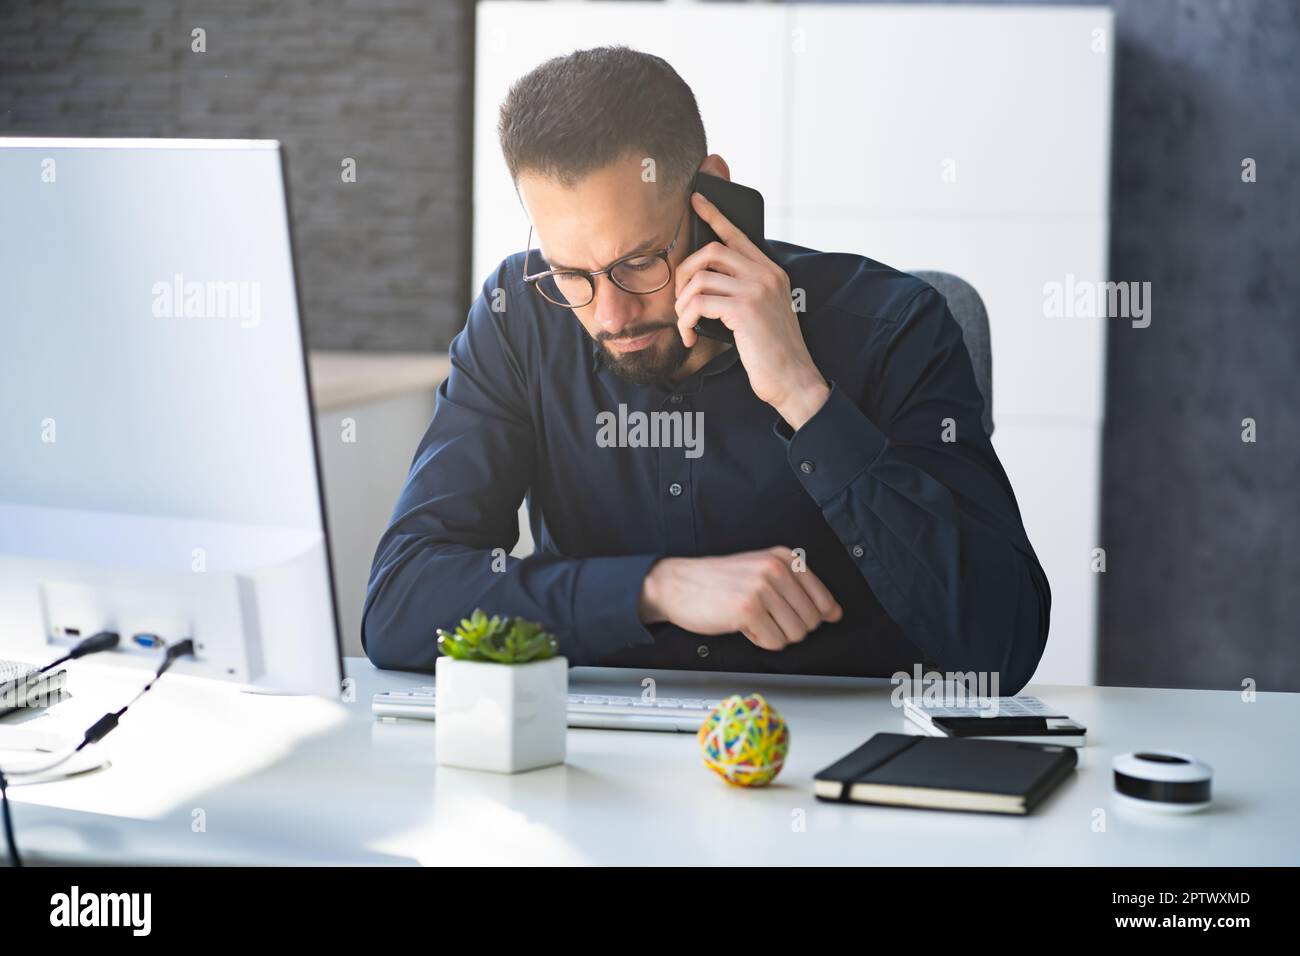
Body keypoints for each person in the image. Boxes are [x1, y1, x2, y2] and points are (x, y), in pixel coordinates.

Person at [362, 46, 1050, 691]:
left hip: (840, 765)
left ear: (712, 195)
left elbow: (1002, 646)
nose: (608, 317)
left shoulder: (895, 327)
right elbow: (401, 603)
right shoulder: (520, 318)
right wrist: (653, 588)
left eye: (637, 263)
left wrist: (805, 398)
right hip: (602, 766)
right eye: (572, 274)